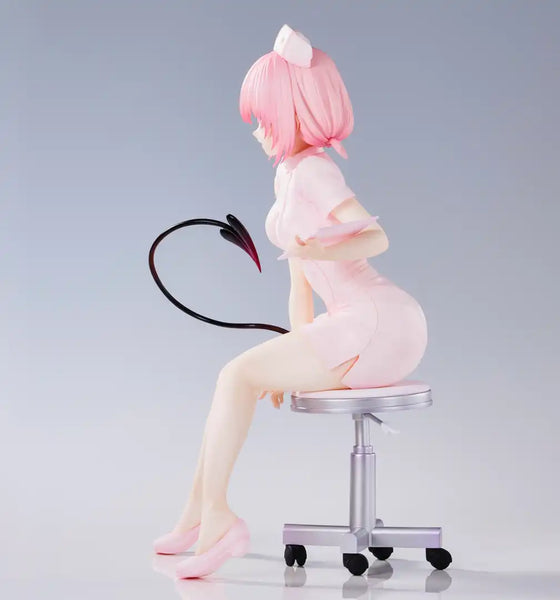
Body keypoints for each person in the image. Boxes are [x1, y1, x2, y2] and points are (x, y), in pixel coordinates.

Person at [153, 24, 428, 579]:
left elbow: (376, 238)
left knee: (235, 376)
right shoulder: (289, 175)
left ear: (295, 112)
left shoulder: (317, 171)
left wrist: (318, 249)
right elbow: (299, 285)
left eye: (265, 117)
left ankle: (218, 519)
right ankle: (195, 514)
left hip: (378, 321)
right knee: (238, 378)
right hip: (355, 319)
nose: (257, 129)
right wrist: (292, 354)